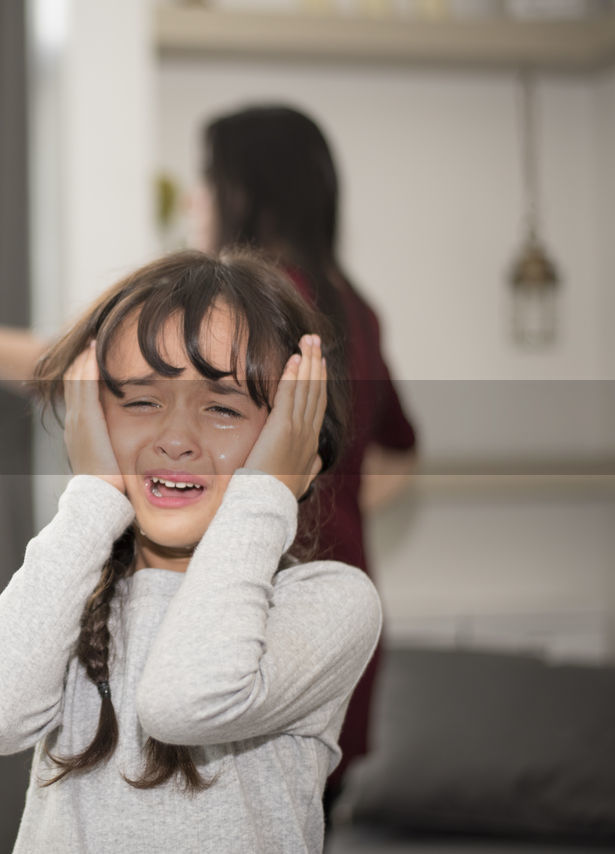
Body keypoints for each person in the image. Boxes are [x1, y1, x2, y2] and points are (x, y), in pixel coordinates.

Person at [0, 251, 381, 853]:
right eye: (141, 401)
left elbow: (186, 702)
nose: (176, 439)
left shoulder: (328, 602)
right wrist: (94, 495)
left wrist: (264, 493)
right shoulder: (69, 591)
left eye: (224, 408)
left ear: (295, 450)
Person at [195, 105, 417, 798]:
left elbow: (83, 365)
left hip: (263, 622)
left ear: (244, 193)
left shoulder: (254, 304)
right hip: (342, 616)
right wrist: (326, 498)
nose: (196, 199)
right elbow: (401, 453)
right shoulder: (358, 307)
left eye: (206, 180)